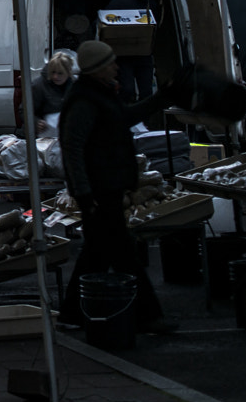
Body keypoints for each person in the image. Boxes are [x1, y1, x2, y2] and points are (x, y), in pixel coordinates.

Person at [58, 39, 176, 333]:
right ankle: (147, 316)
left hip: (105, 187)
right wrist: (84, 194)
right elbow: (73, 148)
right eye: (110, 62)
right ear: (97, 69)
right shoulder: (84, 101)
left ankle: (72, 313)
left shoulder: (100, 94)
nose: (116, 66)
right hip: (99, 190)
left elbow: (124, 117)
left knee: (97, 254)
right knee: (122, 254)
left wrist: (160, 98)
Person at [30, 50, 75, 120]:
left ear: (68, 73)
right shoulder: (38, 86)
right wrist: (36, 122)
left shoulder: (74, 85)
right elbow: (25, 111)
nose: (55, 76)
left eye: (60, 73)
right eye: (53, 72)